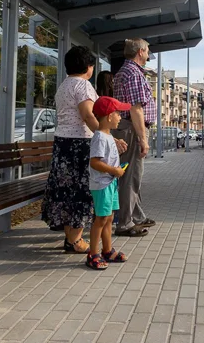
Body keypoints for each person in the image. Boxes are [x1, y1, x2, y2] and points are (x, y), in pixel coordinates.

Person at [41, 46, 101, 254]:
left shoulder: (64, 86)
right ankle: (75, 241)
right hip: (80, 144)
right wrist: (103, 134)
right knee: (81, 190)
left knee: (65, 190)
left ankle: (70, 237)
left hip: (62, 143)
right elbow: (87, 115)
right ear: (88, 66)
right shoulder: (83, 86)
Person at [112, 38, 157, 237]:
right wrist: (143, 138)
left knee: (131, 175)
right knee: (131, 176)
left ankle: (136, 216)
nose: (148, 55)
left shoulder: (126, 71)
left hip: (126, 127)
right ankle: (124, 223)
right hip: (131, 128)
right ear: (140, 52)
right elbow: (136, 109)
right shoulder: (133, 73)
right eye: (147, 51)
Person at [86, 96, 130, 270]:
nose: (120, 117)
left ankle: (107, 250)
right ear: (108, 116)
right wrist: (114, 171)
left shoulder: (109, 136)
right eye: (118, 113)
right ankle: (93, 254)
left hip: (110, 183)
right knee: (101, 218)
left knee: (109, 217)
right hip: (102, 184)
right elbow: (94, 162)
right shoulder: (99, 137)